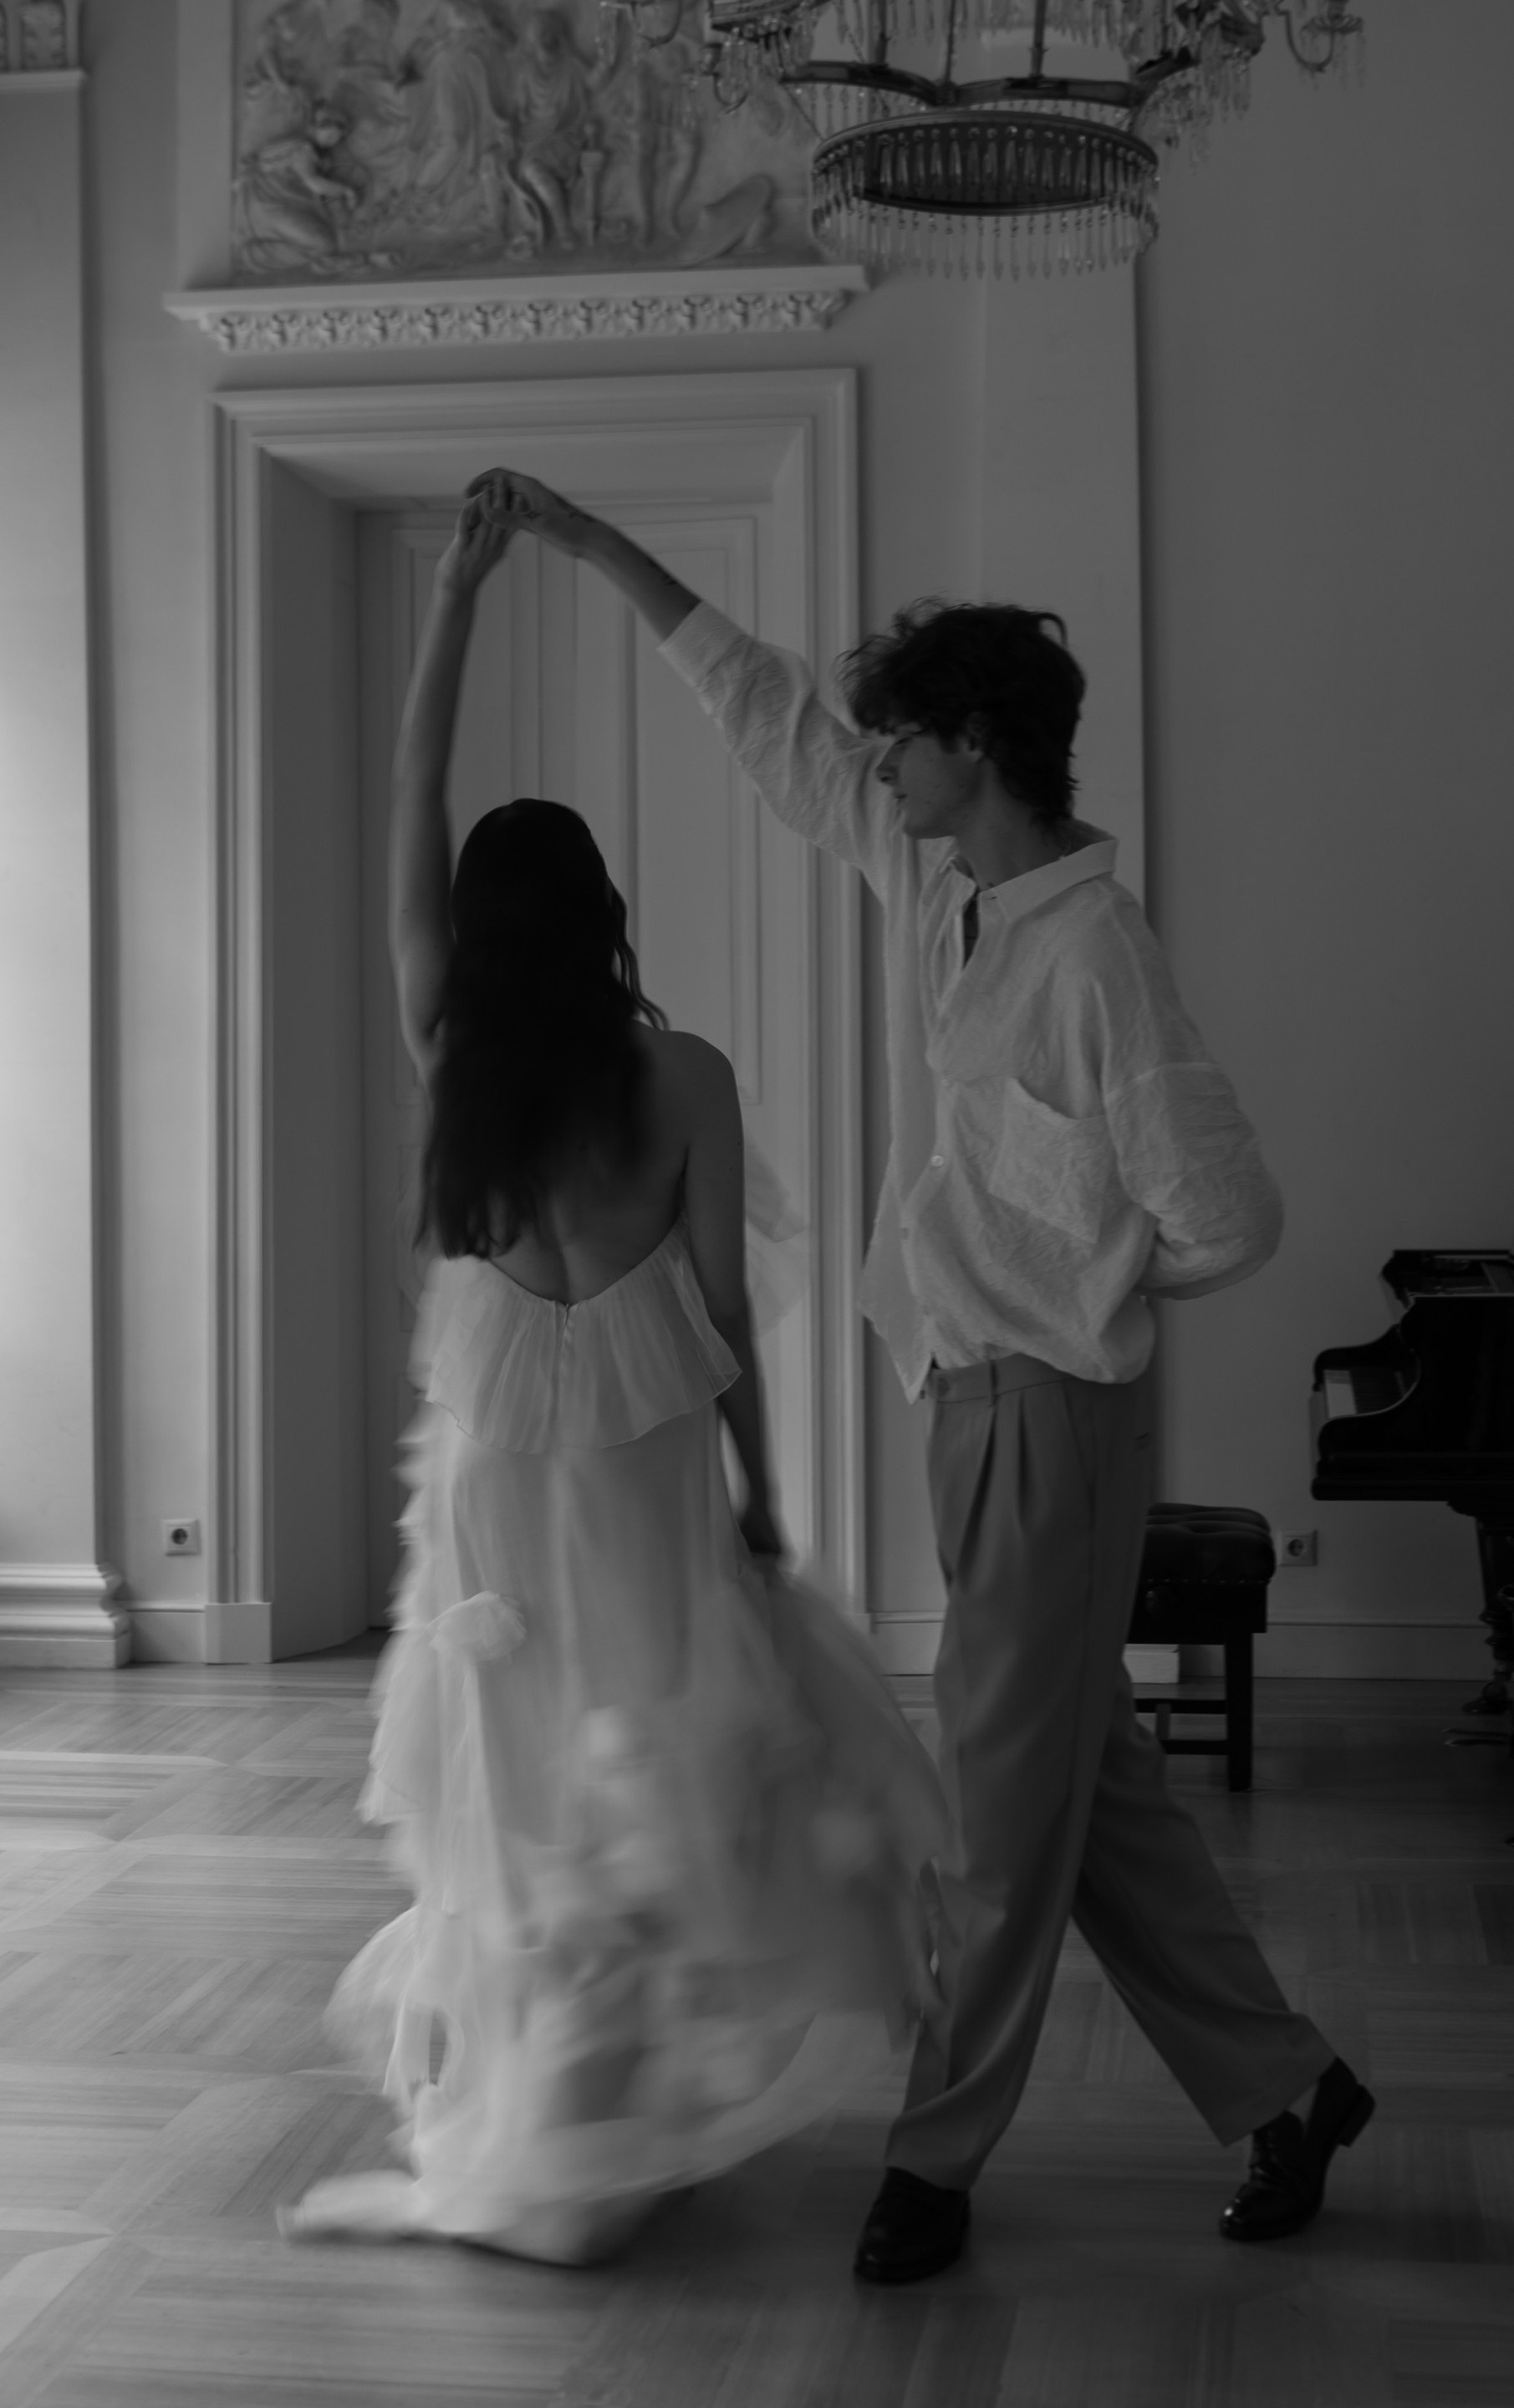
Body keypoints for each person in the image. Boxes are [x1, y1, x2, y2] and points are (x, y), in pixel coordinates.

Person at [475, 465, 1377, 2285]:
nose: (877, 765)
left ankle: (936, 2158)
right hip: (963, 1403)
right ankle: (1291, 2088)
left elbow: (1229, 1214)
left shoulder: (1098, 960)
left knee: (993, 1812)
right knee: (1088, 1791)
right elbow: (771, 721)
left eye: (903, 740)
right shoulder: (943, 887)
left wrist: (1085, 1288)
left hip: (1049, 1410)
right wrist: (590, 547)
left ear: (975, 746)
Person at [279, 492, 946, 2267]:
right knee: (648, 1767)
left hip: (500, 1474)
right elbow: (719, 1315)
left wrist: (457, 596)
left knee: (516, 1794)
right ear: (604, 917)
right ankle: (615, 2117)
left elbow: (411, 796)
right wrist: (765, 1500)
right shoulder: (692, 1079)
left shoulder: (451, 1047)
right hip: (645, 1463)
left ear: (477, 930)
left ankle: (545, 2121)